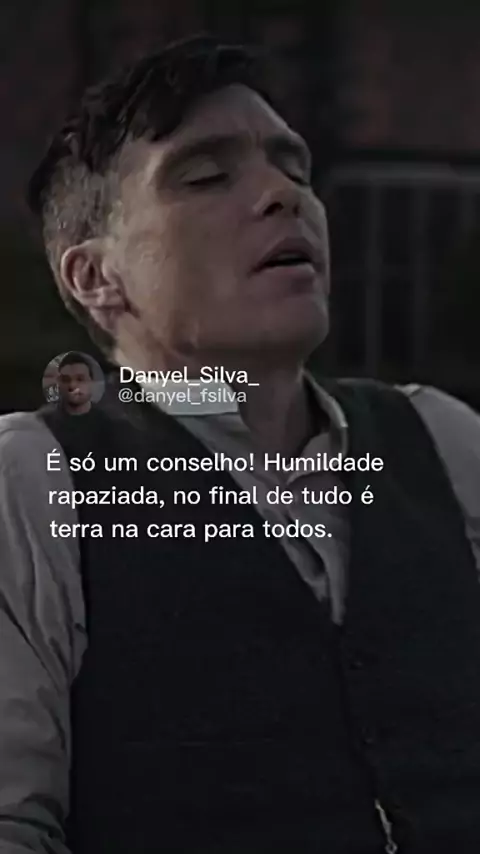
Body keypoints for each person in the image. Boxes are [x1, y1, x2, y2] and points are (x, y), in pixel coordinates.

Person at [0, 34, 479, 854]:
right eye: (205, 177)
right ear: (95, 277)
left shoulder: (443, 442)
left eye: (295, 169)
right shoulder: (36, 479)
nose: (283, 195)